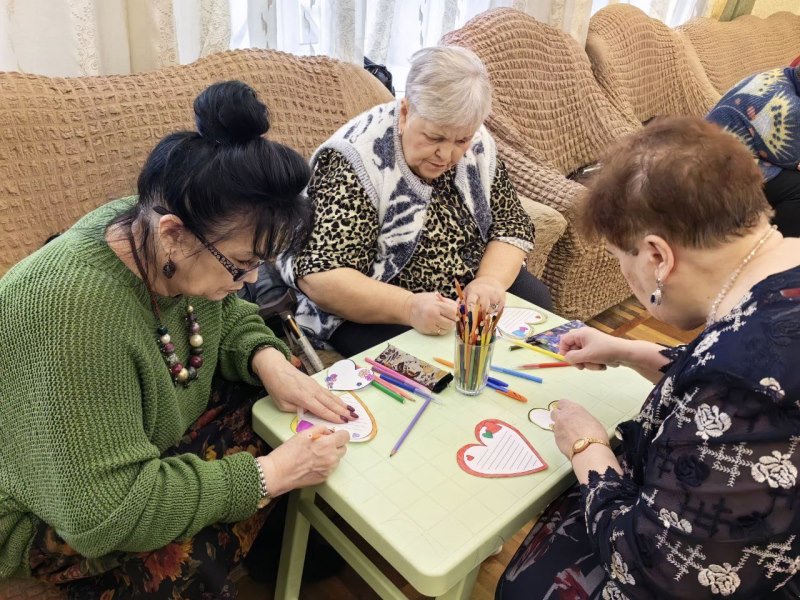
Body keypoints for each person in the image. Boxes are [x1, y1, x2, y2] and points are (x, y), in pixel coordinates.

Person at [0, 81, 355, 599]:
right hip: (53, 506)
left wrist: (267, 358)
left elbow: (225, 312)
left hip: (141, 439)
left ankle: (272, 545)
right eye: (243, 263)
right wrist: (267, 476)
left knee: (290, 404)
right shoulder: (72, 317)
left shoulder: (151, 224)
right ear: (172, 233)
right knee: (184, 570)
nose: (251, 280)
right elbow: (102, 514)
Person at [497, 117, 800, 599]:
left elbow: (651, 569)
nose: (627, 276)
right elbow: (719, 367)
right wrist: (628, 350)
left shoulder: (744, 390)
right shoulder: (782, 277)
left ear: (658, 257)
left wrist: (586, 447)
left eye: (622, 259)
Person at [279, 46, 553, 357]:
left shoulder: (476, 142)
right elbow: (320, 275)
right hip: (381, 308)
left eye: (461, 140)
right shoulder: (354, 160)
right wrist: (409, 306)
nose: (446, 155)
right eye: (434, 137)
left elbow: (511, 224)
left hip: (464, 291)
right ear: (406, 112)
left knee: (536, 305)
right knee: (431, 361)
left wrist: (489, 281)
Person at [707, 63, 800, 237]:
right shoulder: (788, 106)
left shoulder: (782, 76)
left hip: (719, 151)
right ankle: (781, 241)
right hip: (719, 174)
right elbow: (794, 161)